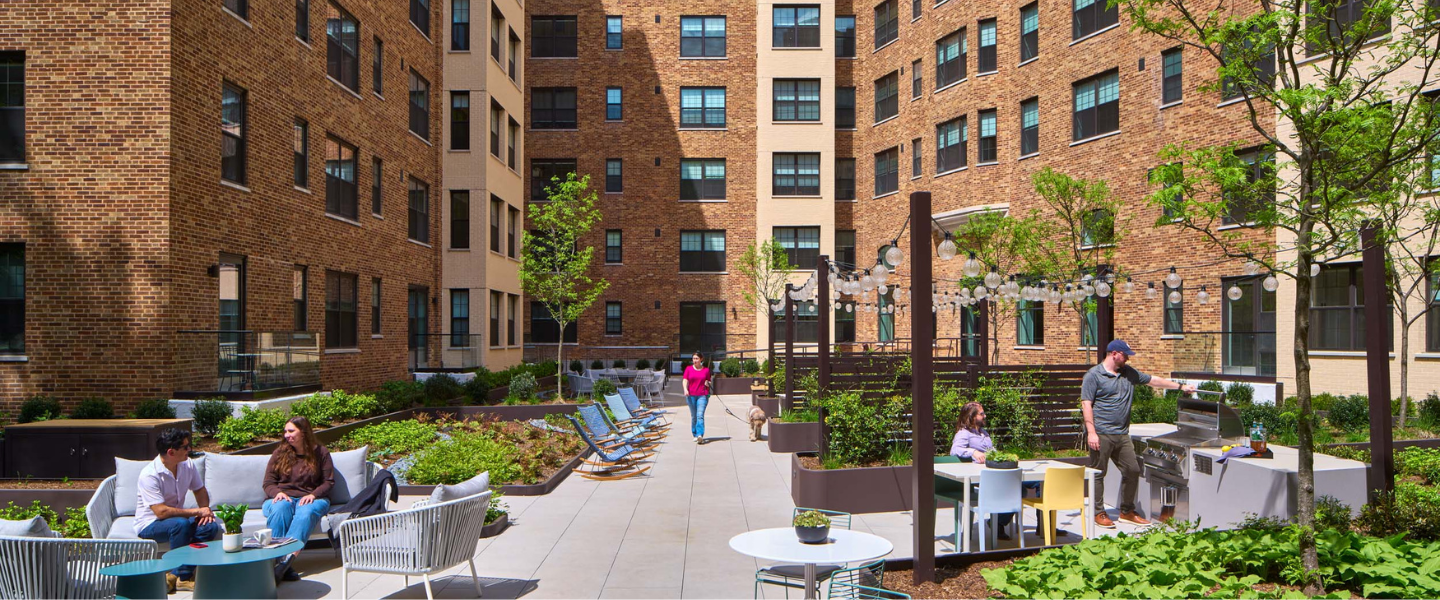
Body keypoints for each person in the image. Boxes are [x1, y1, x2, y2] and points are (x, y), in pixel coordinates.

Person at [1082, 339, 1196, 529]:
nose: (1127, 358)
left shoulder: (1129, 374)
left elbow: (1153, 380)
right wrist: (1091, 432)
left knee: (1133, 470)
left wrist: (1180, 387)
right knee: (1098, 473)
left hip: (1122, 434)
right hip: (1101, 433)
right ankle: (1098, 513)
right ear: (1114, 354)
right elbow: (1086, 404)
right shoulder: (1093, 376)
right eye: (1125, 355)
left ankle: (1127, 511)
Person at [135, 428, 219, 594]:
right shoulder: (149, 475)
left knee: (209, 526)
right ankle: (184, 576)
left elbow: (200, 490)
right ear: (171, 452)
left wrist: (206, 510)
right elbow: (161, 513)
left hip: (176, 520)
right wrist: (196, 512)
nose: (190, 450)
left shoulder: (187, 464)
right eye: (185, 447)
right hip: (150, 524)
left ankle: (176, 575)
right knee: (180, 525)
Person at [262, 416, 335, 582]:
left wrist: (313, 494)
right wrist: (277, 493)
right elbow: (268, 483)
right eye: (285, 431)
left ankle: (283, 564)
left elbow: (329, 482)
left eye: (291, 431)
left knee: (306, 512)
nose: (287, 435)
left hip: (312, 498)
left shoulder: (321, 453)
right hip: (282, 498)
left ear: (303, 432)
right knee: (281, 509)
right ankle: (281, 564)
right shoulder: (280, 453)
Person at [682, 351, 712, 443]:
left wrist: (707, 383)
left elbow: (709, 381)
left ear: (701, 359)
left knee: (700, 415)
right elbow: (685, 380)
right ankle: (694, 433)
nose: (695, 360)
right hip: (691, 395)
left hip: (702, 395)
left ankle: (700, 435)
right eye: (693, 358)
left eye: (697, 358)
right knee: (694, 416)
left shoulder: (706, 370)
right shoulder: (688, 369)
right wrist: (685, 389)